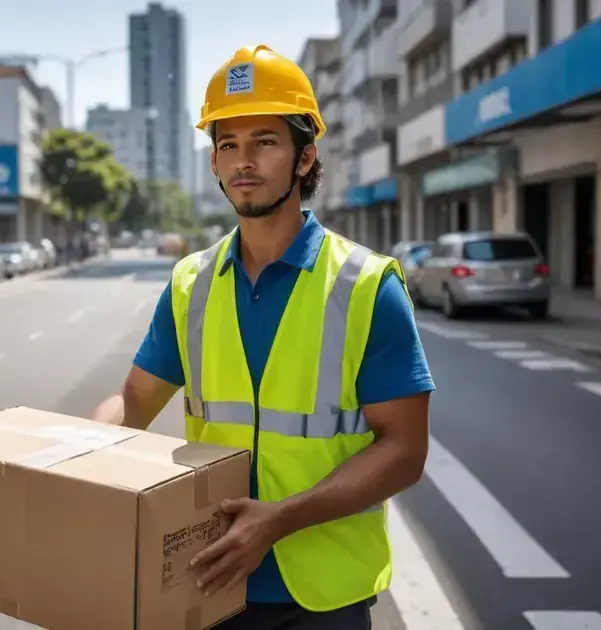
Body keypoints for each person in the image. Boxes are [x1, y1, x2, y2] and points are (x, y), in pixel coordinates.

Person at [89, 45, 434, 629]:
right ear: (215, 163)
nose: (242, 161)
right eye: (228, 145)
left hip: (324, 599)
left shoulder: (368, 287)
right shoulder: (190, 283)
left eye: (264, 142)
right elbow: (134, 399)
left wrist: (278, 519)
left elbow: (404, 450)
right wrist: (79, 457)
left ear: (305, 157)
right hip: (207, 582)